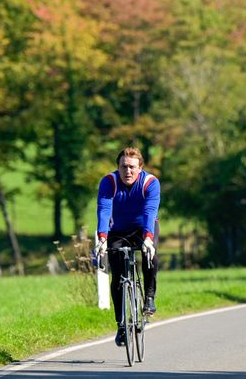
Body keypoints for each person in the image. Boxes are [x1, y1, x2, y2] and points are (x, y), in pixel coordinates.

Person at [96, 147, 160, 347]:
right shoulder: (109, 182)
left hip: (144, 228)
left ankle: (149, 297)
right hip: (118, 231)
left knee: (150, 256)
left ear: (140, 168)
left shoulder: (150, 183)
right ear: (118, 167)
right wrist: (102, 238)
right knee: (117, 276)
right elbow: (104, 210)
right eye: (123, 166)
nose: (128, 171)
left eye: (132, 167)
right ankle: (121, 325)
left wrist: (148, 238)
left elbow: (150, 211)